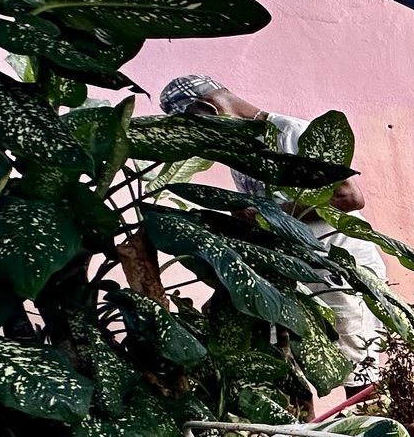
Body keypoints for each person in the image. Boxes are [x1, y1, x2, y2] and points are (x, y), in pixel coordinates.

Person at [158, 74, 388, 390]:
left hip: (340, 268)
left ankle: (376, 424)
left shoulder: (293, 134)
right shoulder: (241, 152)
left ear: (210, 109)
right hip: (295, 273)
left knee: (357, 370)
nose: (207, 142)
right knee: (289, 369)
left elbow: (349, 197)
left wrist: (269, 213)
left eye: (202, 129)